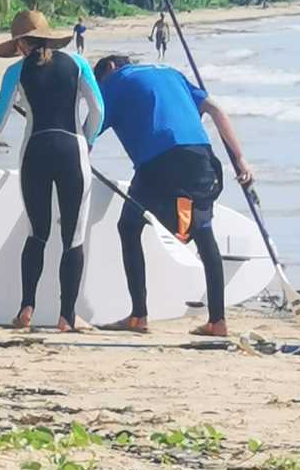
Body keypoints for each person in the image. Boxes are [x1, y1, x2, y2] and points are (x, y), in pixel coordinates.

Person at [0, 11, 105, 332]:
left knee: (37, 233)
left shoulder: (16, 71)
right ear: (48, 36)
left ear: (21, 43)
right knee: (73, 237)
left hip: (34, 152)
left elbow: (0, 116)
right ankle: (67, 317)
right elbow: (98, 110)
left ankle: (26, 308)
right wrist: (87, 141)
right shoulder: (77, 64)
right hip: (71, 151)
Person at [92, 55, 253, 336]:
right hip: (202, 156)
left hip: (159, 162)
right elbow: (217, 111)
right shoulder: (172, 73)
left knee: (129, 226)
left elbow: (92, 127)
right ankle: (218, 320)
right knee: (204, 232)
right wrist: (240, 160)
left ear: (109, 68)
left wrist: (77, 153)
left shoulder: (114, 80)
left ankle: (138, 316)